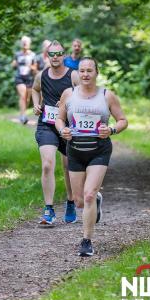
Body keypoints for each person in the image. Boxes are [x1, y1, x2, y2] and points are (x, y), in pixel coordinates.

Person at [55, 57, 128, 256]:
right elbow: (59, 120)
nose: (85, 74)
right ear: (78, 73)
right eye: (82, 71)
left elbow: (123, 120)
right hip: (75, 151)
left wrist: (111, 129)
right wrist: (63, 131)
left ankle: (86, 241)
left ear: (96, 73)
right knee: (79, 201)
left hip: (99, 150)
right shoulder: (68, 94)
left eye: (90, 71)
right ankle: (96, 201)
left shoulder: (107, 95)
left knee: (88, 195)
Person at [32, 40, 79, 225]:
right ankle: (49, 210)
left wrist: (68, 104)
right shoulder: (41, 76)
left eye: (58, 54)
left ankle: (71, 201)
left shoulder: (73, 75)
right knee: (47, 165)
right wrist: (36, 104)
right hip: (47, 126)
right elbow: (35, 90)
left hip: (69, 128)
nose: (55, 57)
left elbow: (84, 95)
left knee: (68, 167)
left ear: (64, 55)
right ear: (47, 55)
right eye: (51, 54)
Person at [12, 36, 37, 124]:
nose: (24, 43)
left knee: (27, 99)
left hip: (29, 78)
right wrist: (14, 64)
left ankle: (23, 113)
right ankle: (23, 116)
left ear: (29, 44)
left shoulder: (33, 55)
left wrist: (31, 67)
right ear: (21, 44)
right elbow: (13, 65)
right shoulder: (17, 54)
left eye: (26, 42)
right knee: (22, 96)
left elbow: (35, 68)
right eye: (23, 42)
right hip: (19, 77)